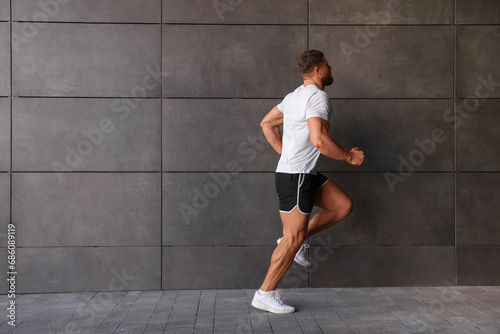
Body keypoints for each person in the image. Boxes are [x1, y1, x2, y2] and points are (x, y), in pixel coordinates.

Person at [251, 50, 364, 314]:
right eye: (327, 65)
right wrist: (349, 157)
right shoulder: (317, 97)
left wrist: (287, 154)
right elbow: (319, 140)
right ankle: (265, 293)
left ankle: (294, 241)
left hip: (303, 174)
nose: (331, 68)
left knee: (342, 206)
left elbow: (267, 124)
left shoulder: (293, 97)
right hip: (297, 176)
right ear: (317, 70)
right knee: (293, 238)